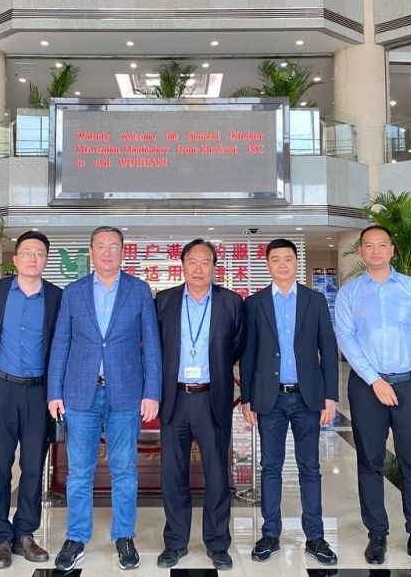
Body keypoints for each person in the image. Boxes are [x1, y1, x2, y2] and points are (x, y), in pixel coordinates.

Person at [334, 225, 411, 570]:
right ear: (361, 252)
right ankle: (377, 534)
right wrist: (376, 379)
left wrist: (404, 372)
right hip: (366, 387)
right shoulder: (349, 293)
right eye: (368, 246)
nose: (375, 251)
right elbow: (346, 338)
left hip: (408, 386)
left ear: (392, 250)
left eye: (382, 245)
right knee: (370, 462)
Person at [46, 226, 163, 571]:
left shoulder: (139, 291)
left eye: (114, 246)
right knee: (79, 472)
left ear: (123, 252)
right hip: (80, 393)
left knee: (124, 470)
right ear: (91, 252)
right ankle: (76, 537)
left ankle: (124, 536)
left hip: (125, 393)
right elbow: (61, 343)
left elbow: (151, 345)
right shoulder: (74, 292)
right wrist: (54, 391)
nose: (107, 252)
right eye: (101, 246)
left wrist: (152, 392)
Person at [239, 238, 338, 567]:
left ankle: (315, 536)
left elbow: (328, 349)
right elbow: (249, 355)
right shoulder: (255, 303)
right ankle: (270, 534)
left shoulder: (314, 300)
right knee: (270, 467)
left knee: (310, 468)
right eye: (276, 259)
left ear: (296, 263)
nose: (282, 264)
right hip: (271, 399)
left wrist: (330, 397)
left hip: (308, 398)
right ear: (268, 264)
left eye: (288, 259)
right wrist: (248, 399)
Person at [0, 231, 63, 569]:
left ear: (46, 260)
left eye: (39, 253)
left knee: (33, 467)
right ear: (15, 259)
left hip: (39, 393)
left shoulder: (56, 297)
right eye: (26, 252)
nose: (32, 258)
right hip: (1, 389)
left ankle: (25, 533)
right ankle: (1, 535)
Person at [155, 239, 244, 571]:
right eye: (192, 261)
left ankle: (218, 542)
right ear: (182, 265)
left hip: (212, 397)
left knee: (217, 474)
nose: (198, 268)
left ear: (214, 267)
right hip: (174, 398)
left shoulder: (230, 302)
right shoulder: (164, 301)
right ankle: (175, 542)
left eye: (205, 262)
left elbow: (238, 345)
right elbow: (154, 347)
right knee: (172, 473)